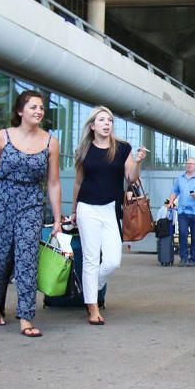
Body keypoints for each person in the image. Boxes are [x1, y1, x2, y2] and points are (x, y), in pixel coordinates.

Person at [0, 90, 63, 337]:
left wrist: (58, 218)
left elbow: (53, 182)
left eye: (41, 108)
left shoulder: (50, 142)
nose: (39, 111)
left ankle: (26, 316)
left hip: (31, 202)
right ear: (20, 111)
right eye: (33, 107)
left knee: (27, 258)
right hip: (0, 200)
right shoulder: (2, 137)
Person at [68, 106, 147, 325]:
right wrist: (73, 211)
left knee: (112, 260)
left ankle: (95, 284)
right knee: (91, 260)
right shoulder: (84, 151)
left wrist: (138, 160)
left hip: (111, 209)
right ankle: (92, 307)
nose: (107, 123)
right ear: (92, 125)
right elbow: (78, 182)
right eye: (102, 120)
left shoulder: (122, 148)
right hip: (87, 208)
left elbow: (131, 177)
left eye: (110, 120)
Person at [167, 157, 195, 267]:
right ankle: (183, 258)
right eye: (188, 163)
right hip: (183, 212)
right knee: (183, 234)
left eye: (192, 163)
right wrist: (170, 202)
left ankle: (193, 259)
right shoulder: (180, 178)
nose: (189, 165)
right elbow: (174, 192)